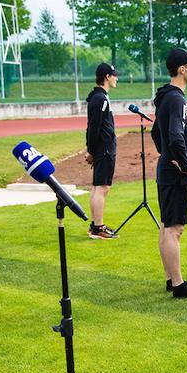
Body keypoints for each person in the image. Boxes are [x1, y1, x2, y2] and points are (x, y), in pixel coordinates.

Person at [152, 48, 187, 298]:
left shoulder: (166, 97)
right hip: (175, 173)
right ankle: (178, 285)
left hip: (166, 169)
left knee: (167, 226)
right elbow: (174, 134)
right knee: (175, 229)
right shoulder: (176, 99)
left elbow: (156, 133)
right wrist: (184, 164)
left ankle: (172, 278)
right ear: (182, 69)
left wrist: (166, 155)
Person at [84, 62, 120, 240]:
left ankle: (95, 224)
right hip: (104, 149)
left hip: (103, 148)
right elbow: (94, 127)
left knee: (98, 187)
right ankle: (98, 227)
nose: (116, 78)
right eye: (114, 75)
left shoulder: (99, 97)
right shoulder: (100, 99)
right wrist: (91, 151)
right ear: (107, 77)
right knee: (102, 188)